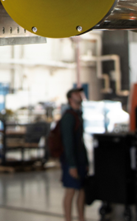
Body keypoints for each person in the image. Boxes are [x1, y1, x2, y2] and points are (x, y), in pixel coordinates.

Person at [61, 87, 88, 221]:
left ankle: (82, 218)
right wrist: (72, 164)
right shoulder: (68, 117)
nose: (80, 95)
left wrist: (86, 161)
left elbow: (80, 141)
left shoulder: (78, 114)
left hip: (80, 159)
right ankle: (68, 218)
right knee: (71, 190)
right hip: (71, 159)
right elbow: (68, 142)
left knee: (82, 189)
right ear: (71, 99)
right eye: (77, 93)